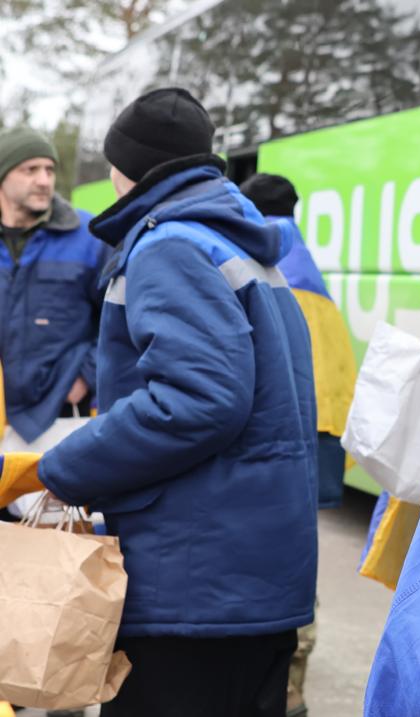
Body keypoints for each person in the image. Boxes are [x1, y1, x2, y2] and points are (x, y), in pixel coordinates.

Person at [0, 88, 319, 717]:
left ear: (128, 168)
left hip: (194, 586)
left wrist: (53, 471)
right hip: (248, 576)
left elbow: (196, 401)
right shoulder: (236, 244)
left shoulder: (168, 247)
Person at [240, 172, 358, 717]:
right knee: (296, 564)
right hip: (313, 449)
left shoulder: (246, 269)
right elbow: (337, 375)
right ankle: (292, 691)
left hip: (260, 454)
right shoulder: (314, 279)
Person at [0, 127, 107, 446]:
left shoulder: (89, 238)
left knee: (55, 499)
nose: (44, 180)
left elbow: (120, 317)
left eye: (49, 169)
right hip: (1, 413)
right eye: (30, 170)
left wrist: (86, 375)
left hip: (60, 413)